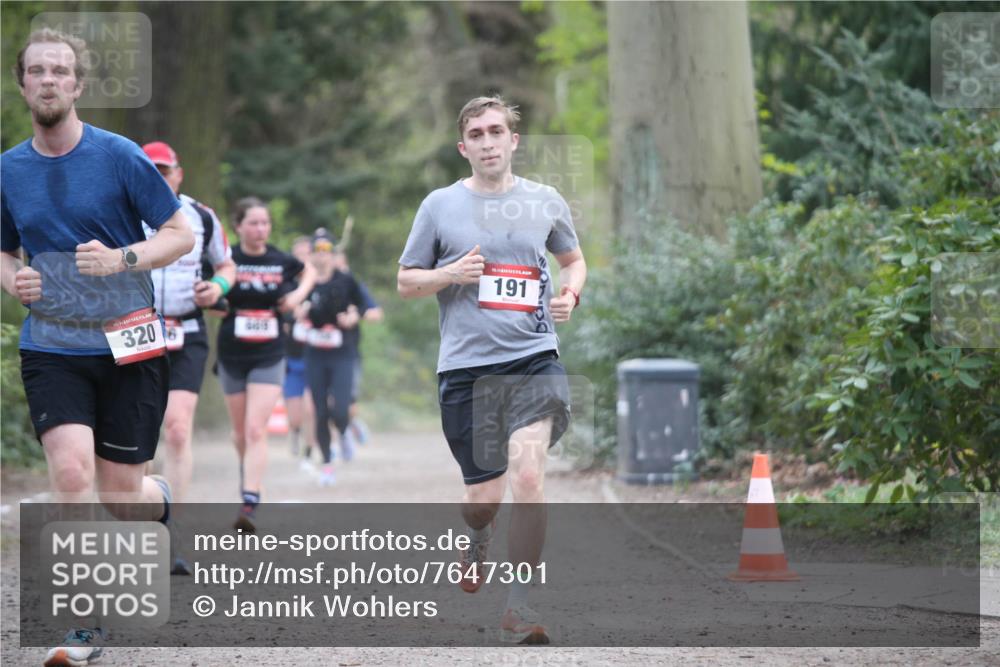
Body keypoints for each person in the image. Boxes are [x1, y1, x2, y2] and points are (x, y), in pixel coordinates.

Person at [0, 29, 195, 667]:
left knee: (120, 496)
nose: (49, 80)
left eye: (61, 71)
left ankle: (157, 499)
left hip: (129, 341)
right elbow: (3, 251)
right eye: (38, 71)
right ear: (22, 83)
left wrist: (123, 257)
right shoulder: (7, 169)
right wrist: (15, 279)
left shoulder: (119, 156)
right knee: (72, 476)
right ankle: (83, 625)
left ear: (79, 86)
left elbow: (179, 233)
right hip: (52, 345)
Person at [397, 95, 586, 644]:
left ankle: (520, 605)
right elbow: (407, 282)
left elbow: (574, 260)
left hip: (533, 359)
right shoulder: (439, 206)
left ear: (513, 140)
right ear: (464, 147)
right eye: (476, 134)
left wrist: (571, 293)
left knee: (528, 477)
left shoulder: (545, 200)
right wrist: (450, 273)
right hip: (467, 371)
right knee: (483, 499)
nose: (487, 141)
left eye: (495, 131)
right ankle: (477, 537)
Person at [141, 140, 236, 575]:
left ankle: (167, 528)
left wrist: (217, 289)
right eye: (151, 170)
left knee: (177, 429)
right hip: (136, 331)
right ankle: (137, 526)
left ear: (178, 174)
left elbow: (227, 267)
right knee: (139, 433)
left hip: (187, 329)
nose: (159, 178)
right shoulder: (123, 212)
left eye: (165, 170)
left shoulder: (201, 215)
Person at [216, 197, 315, 531]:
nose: (261, 229)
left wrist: (297, 297)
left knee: (256, 429)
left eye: (265, 223)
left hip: (270, 352)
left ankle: (250, 500)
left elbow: (309, 272)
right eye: (254, 223)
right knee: (241, 432)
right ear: (238, 226)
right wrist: (213, 300)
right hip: (232, 353)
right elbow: (209, 291)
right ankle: (250, 479)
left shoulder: (280, 259)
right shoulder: (226, 259)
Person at [299, 229, 369, 485]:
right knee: (319, 410)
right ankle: (327, 463)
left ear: (333, 254)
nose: (322, 255)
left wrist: (353, 316)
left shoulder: (345, 280)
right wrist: (297, 311)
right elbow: (288, 307)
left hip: (342, 353)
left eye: (327, 250)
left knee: (340, 409)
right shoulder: (305, 282)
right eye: (317, 250)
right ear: (312, 255)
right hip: (315, 353)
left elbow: (363, 305)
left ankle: (344, 428)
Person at [282, 236, 318, 460]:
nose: (302, 259)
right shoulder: (284, 284)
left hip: (315, 357)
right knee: (295, 415)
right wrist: (290, 317)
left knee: (312, 408)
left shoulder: (321, 283)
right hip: (290, 356)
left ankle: (310, 450)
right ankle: (295, 432)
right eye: (298, 255)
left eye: (306, 254)